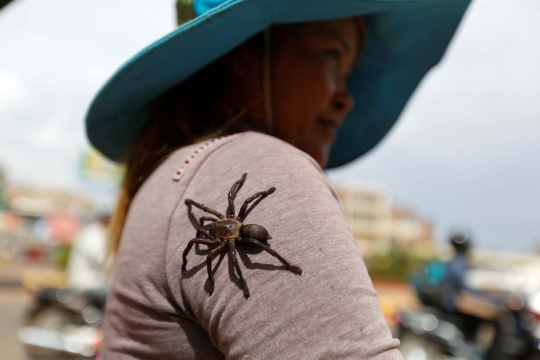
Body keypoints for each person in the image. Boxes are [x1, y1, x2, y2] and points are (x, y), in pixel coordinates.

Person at [85, 0, 471, 358]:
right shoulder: (259, 165)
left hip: (248, 230)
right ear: (243, 55)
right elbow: (216, 231)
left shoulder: (172, 174)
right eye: (332, 56)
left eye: (349, 73)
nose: (346, 98)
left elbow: (231, 209)